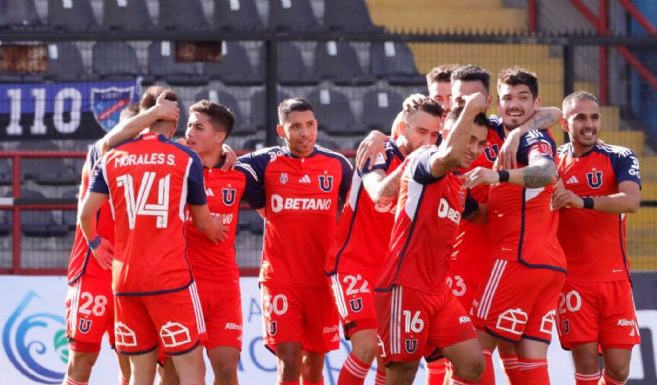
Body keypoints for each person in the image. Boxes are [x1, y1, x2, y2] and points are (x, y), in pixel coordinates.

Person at [78, 86, 228, 385]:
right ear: (174, 125)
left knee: (138, 374)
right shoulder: (186, 158)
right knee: (192, 371)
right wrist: (217, 228)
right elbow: (202, 222)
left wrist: (95, 242)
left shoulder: (111, 157)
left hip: (125, 280)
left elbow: (85, 214)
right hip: (169, 279)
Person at [325, 96, 443, 385]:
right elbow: (378, 192)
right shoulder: (380, 152)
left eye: (434, 134)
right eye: (421, 132)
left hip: (392, 274)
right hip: (353, 264)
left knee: (390, 357)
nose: (428, 140)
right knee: (365, 346)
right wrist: (405, 160)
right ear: (402, 128)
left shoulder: (429, 163)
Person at [374, 92, 490, 385]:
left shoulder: (460, 184)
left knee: (472, 364)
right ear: (449, 134)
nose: (472, 148)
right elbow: (449, 154)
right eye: (469, 138)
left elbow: (484, 215)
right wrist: (472, 105)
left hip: (439, 291)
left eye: (479, 143)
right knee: (403, 374)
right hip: (406, 285)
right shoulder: (425, 159)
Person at [63, 97, 178, 385]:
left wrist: (224, 150)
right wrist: (153, 114)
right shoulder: (102, 154)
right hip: (94, 271)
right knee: (82, 359)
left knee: (134, 365)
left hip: (134, 274)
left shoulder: (162, 158)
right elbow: (109, 142)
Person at [237, 98, 353, 385]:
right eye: (296, 126)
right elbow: (232, 168)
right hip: (280, 279)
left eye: (310, 125)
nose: (305, 133)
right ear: (281, 130)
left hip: (321, 280)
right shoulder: (263, 162)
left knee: (313, 369)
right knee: (289, 362)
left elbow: (358, 210)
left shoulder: (337, 164)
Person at [462, 67, 566, 385]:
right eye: (507, 98)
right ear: (498, 104)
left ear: (535, 103)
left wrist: (499, 175)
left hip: (516, 258)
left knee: (472, 351)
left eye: (523, 98)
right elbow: (554, 111)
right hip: (549, 265)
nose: (514, 105)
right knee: (530, 359)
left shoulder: (531, 137)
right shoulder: (495, 129)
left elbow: (546, 171)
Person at [552, 91, 641, 385]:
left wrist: (582, 201)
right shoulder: (552, 162)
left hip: (615, 278)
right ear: (565, 123)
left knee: (619, 370)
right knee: (587, 364)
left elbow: (630, 201)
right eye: (580, 117)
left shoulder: (619, 156)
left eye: (594, 117)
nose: (589, 124)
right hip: (573, 281)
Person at [158, 100, 248, 385]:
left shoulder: (241, 173)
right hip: (182, 285)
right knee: (173, 372)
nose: (190, 132)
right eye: (189, 126)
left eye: (199, 127)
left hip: (223, 286)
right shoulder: (176, 166)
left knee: (225, 367)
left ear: (220, 137)